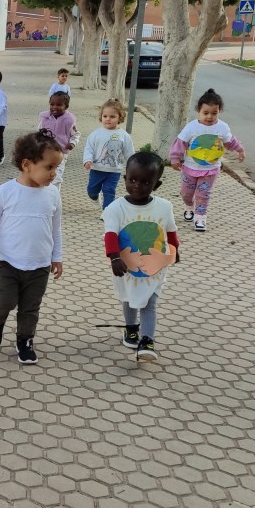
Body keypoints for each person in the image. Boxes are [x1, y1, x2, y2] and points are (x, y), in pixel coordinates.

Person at [0, 130, 64, 365]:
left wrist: (57, 257)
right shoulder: (6, 191)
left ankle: (25, 341)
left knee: (30, 307)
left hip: (40, 265)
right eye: (49, 167)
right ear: (27, 165)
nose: (54, 173)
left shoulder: (53, 195)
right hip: (7, 261)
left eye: (56, 168)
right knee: (5, 301)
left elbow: (56, 229)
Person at [103, 152, 180, 362]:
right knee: (129, 297)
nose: (137, 186)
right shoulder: (115, 208)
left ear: (157, 185)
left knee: (149, 302)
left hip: (154, 266)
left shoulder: (164, 207)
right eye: (133, 180)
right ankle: (130, 329)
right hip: (125, 266)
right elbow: (110, 235)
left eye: (146, 182)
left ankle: (147, 341)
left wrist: (174, 249)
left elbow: (170, 230)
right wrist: (114, 258)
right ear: (125, 178)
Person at [170, 88, 245, 232]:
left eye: (214, 113)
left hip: (210, 169)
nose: (210, 117)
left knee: (203, 195)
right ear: (198, 110)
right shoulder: (191, 127)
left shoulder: (222, 127)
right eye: (206, 113)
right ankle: (189, 206)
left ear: (219, 111)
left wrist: (240, 150)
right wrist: (175, 158)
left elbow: (230, 141)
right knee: (186, 193)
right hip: (190, 168)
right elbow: (180, 143)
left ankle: (200, 217)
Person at [84, 98, 135, 210]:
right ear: (101, 117)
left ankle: (107, 212)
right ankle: (94, 197)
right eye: (105, 116)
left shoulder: (124, 136)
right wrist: (87, 160)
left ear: (120, 117)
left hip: (114, 170)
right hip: (97, 169)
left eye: (112, 116)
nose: (108, 119)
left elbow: (129, 153)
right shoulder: (95, 134)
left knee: (109, 191)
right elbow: (89, 148)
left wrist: (133, 168)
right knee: (92, 190)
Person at [38, 92, 79, 188]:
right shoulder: (45, 118)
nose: (54, 107)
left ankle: (55, 194)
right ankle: (43, 192)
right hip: (45, 152)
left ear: (66, 106)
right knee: (43, 174)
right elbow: (38, 132)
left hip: (60, 154)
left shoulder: (69, 121)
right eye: (52, 104)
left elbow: (76, 134)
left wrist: (72, 143)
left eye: (59, 105)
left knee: (56, 177)